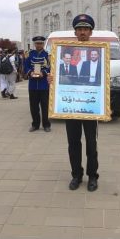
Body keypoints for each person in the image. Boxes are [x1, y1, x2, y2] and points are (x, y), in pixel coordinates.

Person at [50, 14, 100, 192]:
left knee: (91, 144)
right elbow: (61, 77)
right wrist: (52, 79)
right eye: (79, 29)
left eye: (86, 29)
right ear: (75, 32)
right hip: (71, 106)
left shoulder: (99, 53)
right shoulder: (67, 53)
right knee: (73, 143)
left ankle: (92, 176)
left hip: (90, 106)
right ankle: (76, 175)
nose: (83, 32)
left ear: (91, 32)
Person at [25, 36, 51, 132]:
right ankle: (35, 124)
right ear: (34, 44)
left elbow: (49, 67)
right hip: (32, 85)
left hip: (43, 85)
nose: (38, 45)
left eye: (40, 43)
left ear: (43, 44)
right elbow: (26, 66)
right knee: (33, 106)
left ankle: (46, 125)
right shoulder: (30, 54)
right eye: (37, 43)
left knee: (45, 106)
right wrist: (30, 73)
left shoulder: (47, 55)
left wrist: (43, 73)